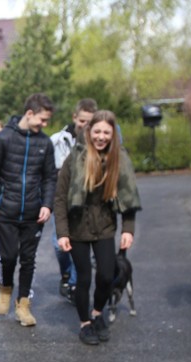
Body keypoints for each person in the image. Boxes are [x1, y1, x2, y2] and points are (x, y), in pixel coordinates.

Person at [54, 110, 141, 345]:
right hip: (78, 226)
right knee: (83, 277)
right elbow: (60, 198)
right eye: (97, 131)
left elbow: (128, 196)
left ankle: (97, 313)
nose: (101, 137)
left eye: (106, 132)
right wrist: (62, 233)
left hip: (105, 225)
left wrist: (128, 229)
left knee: (105, 274)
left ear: (113, 135)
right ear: (88, 132)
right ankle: (84, 323)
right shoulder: (75, 157)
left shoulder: (119, 158)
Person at [0, 93, 57, 326]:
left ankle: (23, 304)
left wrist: (47, 204)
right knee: (8, 257)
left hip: (34, 213)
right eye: (42, 120)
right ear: (29, 114)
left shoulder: (44, 143)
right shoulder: (3, 138)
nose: (45, 125)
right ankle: (5, 289)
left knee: (28, 259)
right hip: (6, 210)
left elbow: (50, 178)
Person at [50, 98, 98, 303]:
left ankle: (75, 284)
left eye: (89, 122)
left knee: (79, 242)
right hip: (61, 199)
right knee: (59, 244)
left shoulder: (97, 141)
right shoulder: (57, 140)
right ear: (74, 117)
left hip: (85, 202)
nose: (85, 126)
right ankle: (67, 273)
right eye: (82, 121)